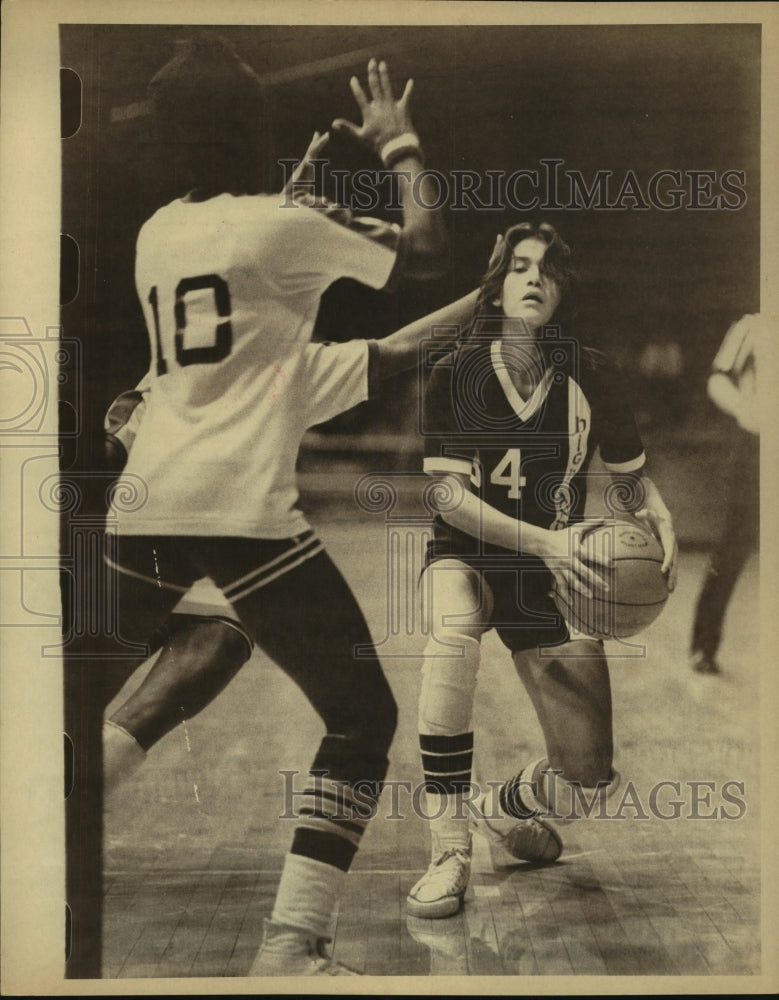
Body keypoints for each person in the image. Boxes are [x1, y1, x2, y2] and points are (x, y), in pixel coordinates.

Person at [104, 36, 448, 976]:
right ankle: (292, 946)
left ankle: (71, 795)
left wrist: (295, 198)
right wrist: (398, 147)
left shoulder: (156, 230)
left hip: (141, 502)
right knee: (360, 720)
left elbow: (245, 310)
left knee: (203, 644)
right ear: (251, 131)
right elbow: (422, 250)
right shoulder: (285, 221)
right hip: (234, 503)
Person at [101, 292, 479, 795]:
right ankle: (73, 788)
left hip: (156, 554)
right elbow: (402, 348)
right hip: (186, 553)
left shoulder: (189, 365)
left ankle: (67, 793)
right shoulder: (286, 366)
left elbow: (401, 348)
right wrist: (492, 291)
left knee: (206, 638)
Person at [406, 221, 678, 919]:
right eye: (519, 267)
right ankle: (448, 848)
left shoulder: (593, 373)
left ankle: (503, 803)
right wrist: (548, 542)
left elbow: (627, 478)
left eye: (548, 271)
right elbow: (446, 497)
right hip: (467, 556)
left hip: (548, 577)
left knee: (589, 780)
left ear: (561, 293)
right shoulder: (456, 371)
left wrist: (655, 511)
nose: (533, 278)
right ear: (494, 288)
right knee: (451, 633)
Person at [688, 313, 760, 675]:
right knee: (734, 547)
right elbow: (718, 378)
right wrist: (747, 410)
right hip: (758, 446)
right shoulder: (754, 325)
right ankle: (704, 644)